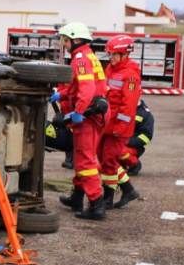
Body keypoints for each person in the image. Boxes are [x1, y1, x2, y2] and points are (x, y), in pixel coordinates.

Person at [54, 22, 109, 220]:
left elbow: (86, 90)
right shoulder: (88, 55)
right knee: (81, 156)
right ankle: (77, 197)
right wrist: (61, 95)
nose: (64, 44)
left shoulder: (80, 58)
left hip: (89, 114)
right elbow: (77, 85)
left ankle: (96, 204)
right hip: (95, 111)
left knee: (85, 160)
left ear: (75, 39)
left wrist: (78, 112)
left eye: (66, 40)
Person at [100, 35, 141, 208]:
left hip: (118, 127)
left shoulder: (130, 76)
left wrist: (120, 127)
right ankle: (128, 189)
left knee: (109, 161)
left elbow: (128, 106)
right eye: (110, 54)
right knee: (104, 159)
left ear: (125, 54)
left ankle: (108, 198)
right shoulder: (111, 68)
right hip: (107, 123)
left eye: (115, 54)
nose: (112, 58)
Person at [123, 100, 153, 175]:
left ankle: (134, 164)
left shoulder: (145, 114)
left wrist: (128, 141)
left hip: (133, 146)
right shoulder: (124, 108)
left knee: (118, 151)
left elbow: (146, 136)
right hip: (120, 140)